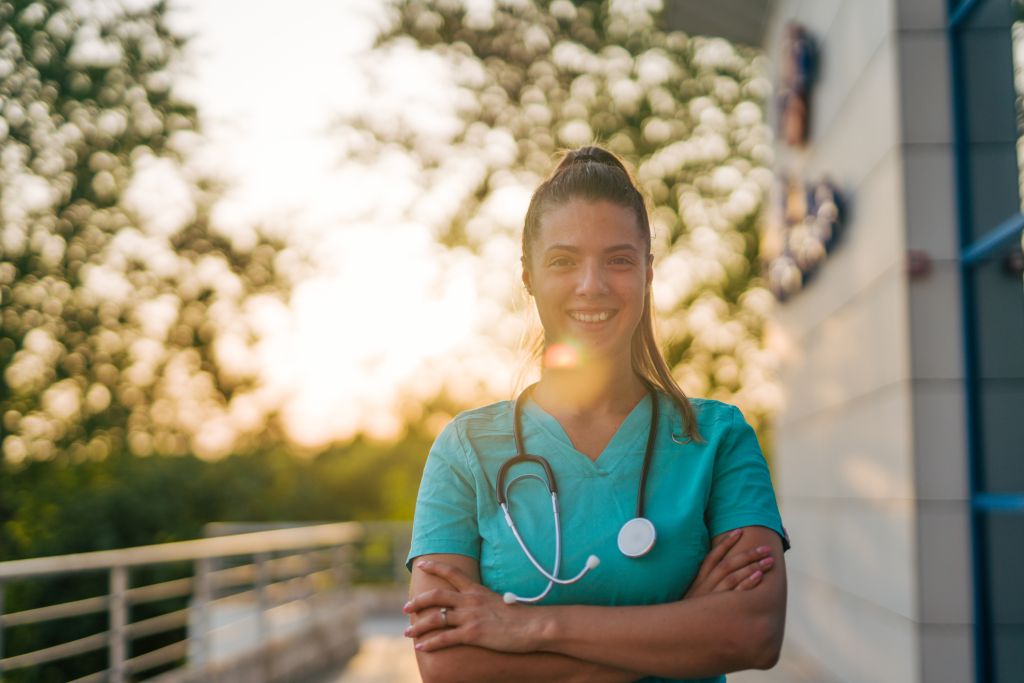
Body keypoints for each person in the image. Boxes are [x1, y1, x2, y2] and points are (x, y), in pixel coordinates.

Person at [402, 146, 790, 683]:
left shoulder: (717, 438)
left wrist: (530, 629)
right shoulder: (466, 449)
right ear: (529, 276)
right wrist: (681, 632)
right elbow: (448, 666)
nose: (593, 285)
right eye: (563, 261)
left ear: (648, 272)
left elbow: (754, 634)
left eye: (619, 259)